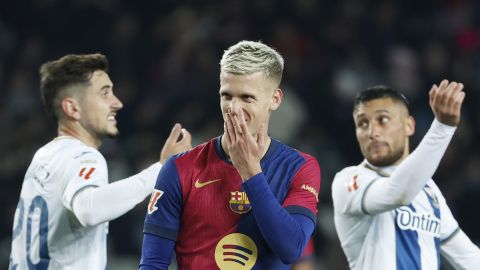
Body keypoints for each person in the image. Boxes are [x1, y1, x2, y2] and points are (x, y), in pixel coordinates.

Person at [140, 40, 321, 269]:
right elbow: (153, 264)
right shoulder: (180, 168)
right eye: (227, 96)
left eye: (247, 97)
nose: (233, 109)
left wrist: (250, 172)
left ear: (275, 99)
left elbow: (291, 248)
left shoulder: (300, 167)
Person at [8, 53, 192, 269]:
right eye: (104, 94)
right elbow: (87, 209)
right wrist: (160, 170)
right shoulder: (85, 156)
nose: (117, 103)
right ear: (73, 108)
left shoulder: (44, 156)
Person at [332, 81, 480, 269]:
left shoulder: (428, 190)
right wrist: (442, 127)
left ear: (409, 126)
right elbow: (398, 193)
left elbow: (467, 257)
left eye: (383, 120)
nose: (372, 132)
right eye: (362, 123)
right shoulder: (349, 180)